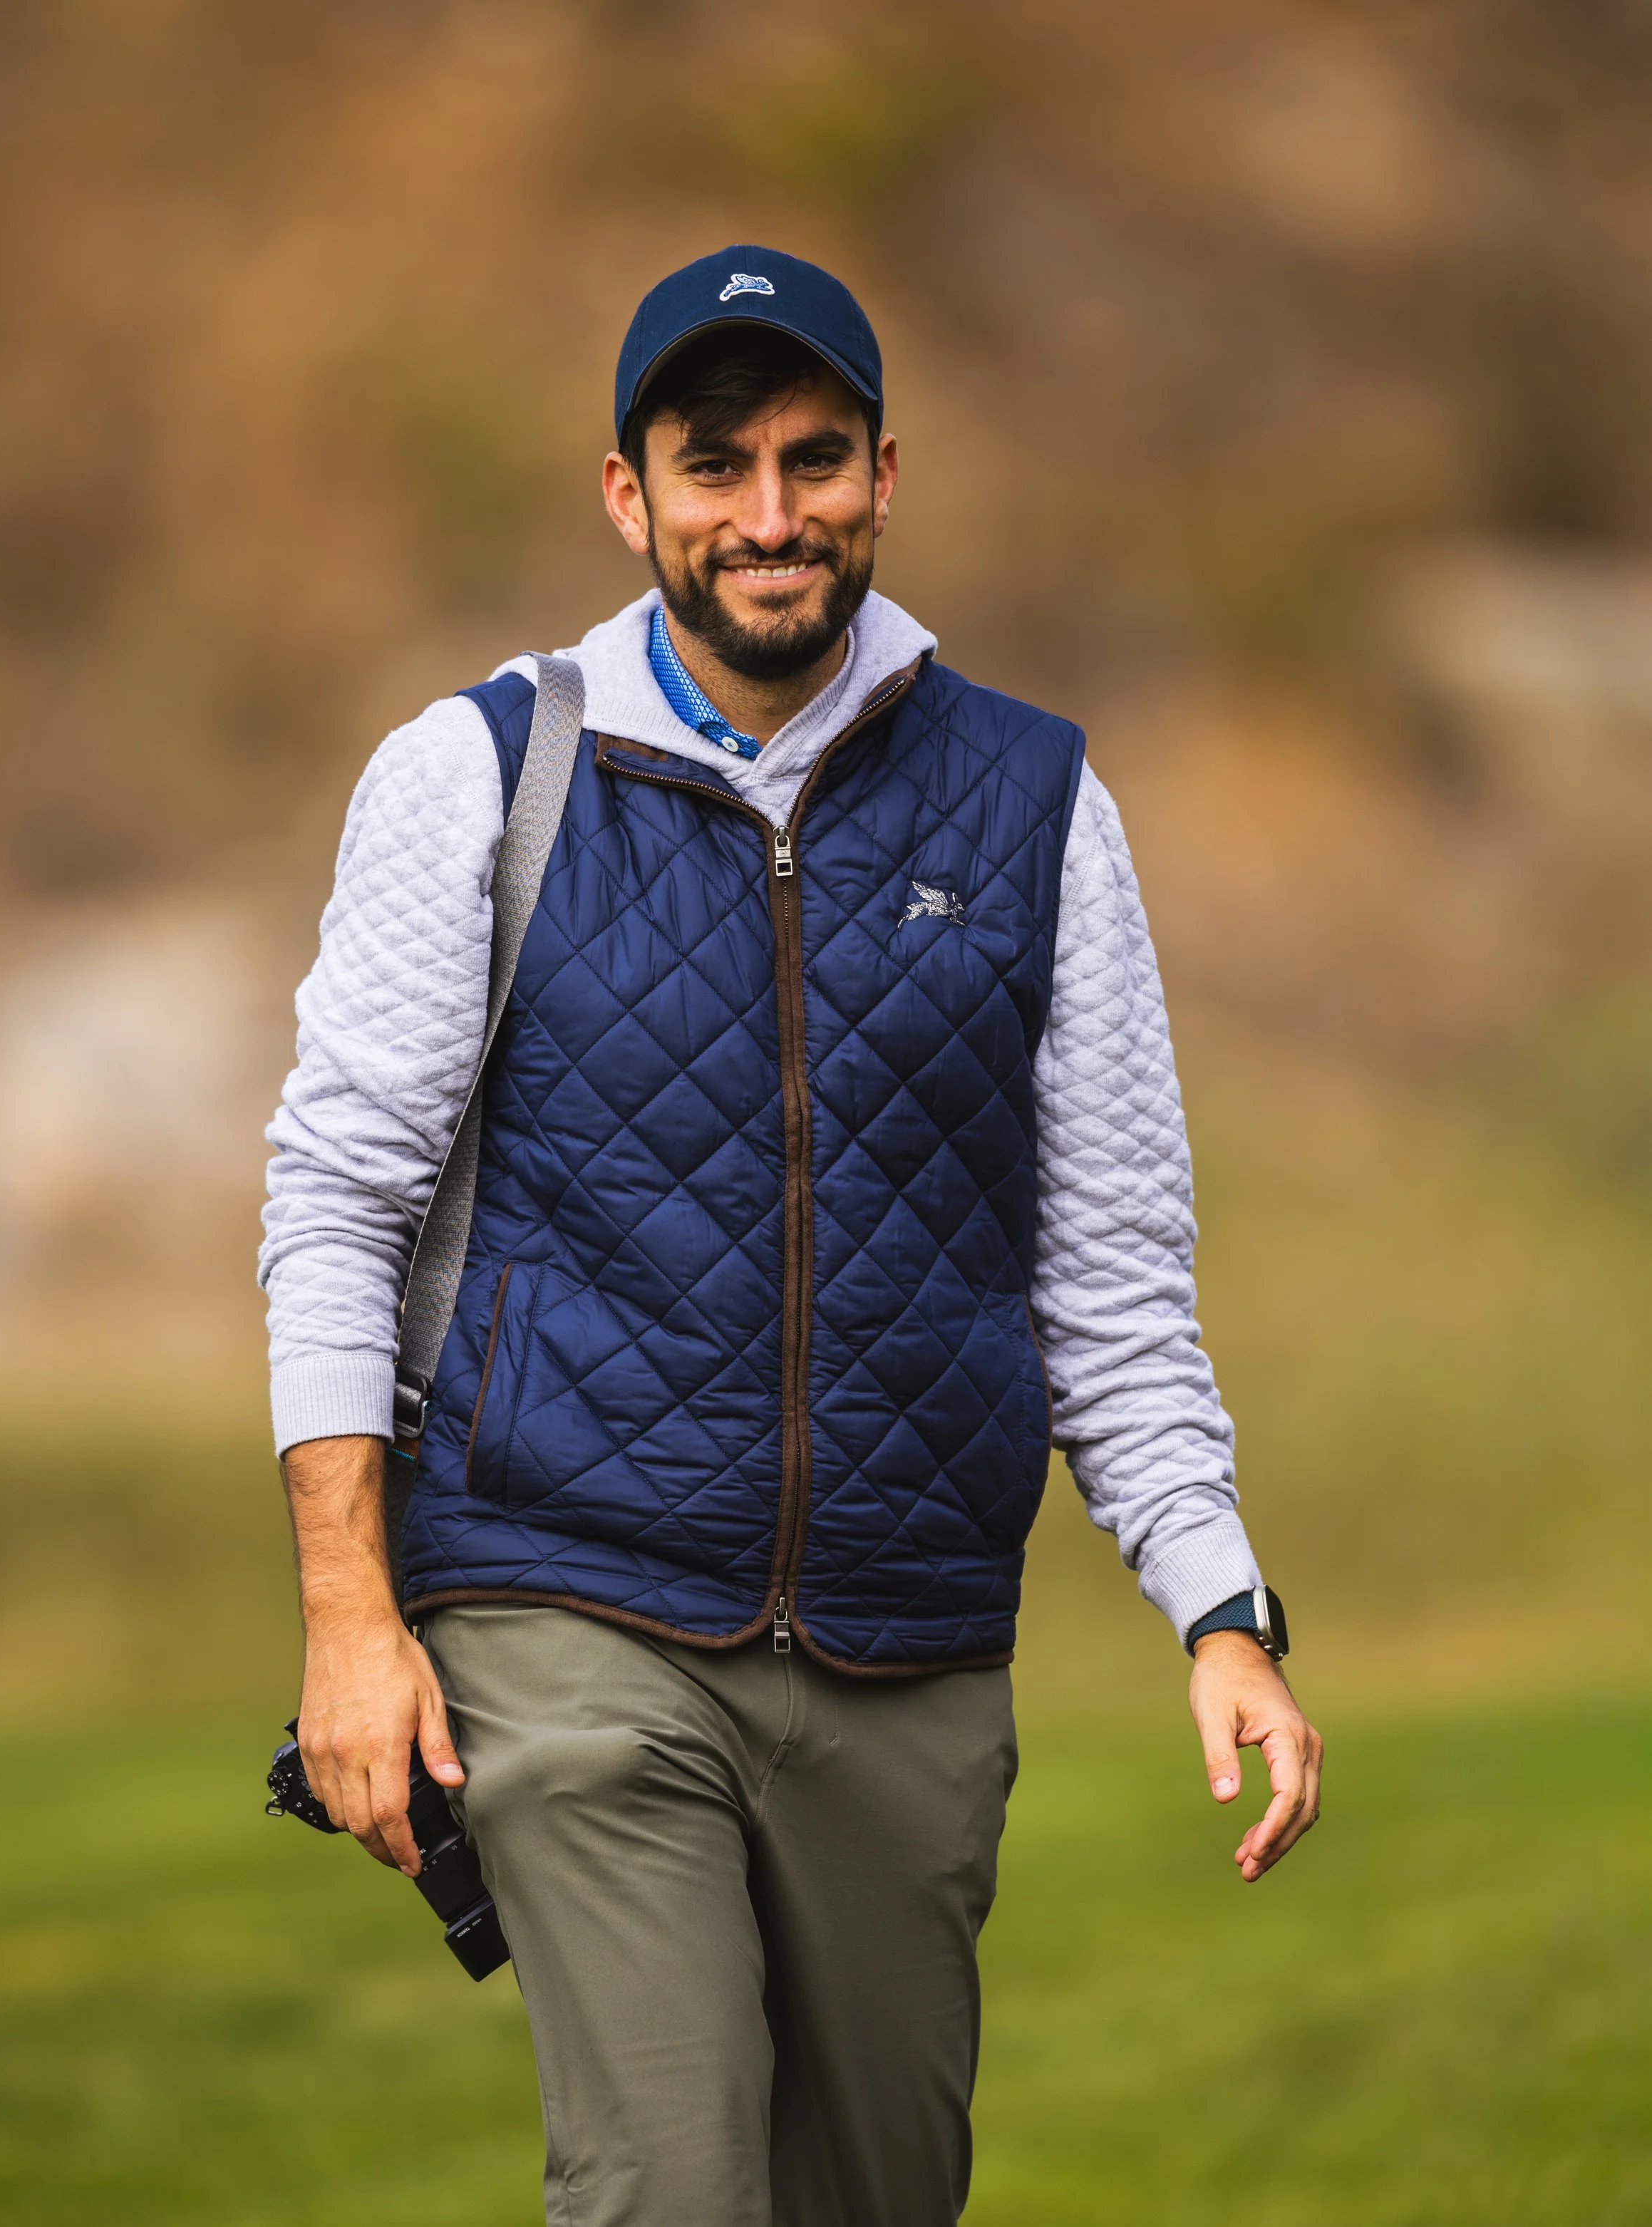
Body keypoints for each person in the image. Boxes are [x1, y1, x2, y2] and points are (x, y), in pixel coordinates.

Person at [259, 244, 1322, 2227]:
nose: (768, 514)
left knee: (879, 2196)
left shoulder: (1032, 801)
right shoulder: (477, 776)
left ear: (883, 476)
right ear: (626, 494)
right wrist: (351, 1617)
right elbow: (335, 1196)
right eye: (713, 464)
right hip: (562, 1603)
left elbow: (1106, 1274)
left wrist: (1221, 1606)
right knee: (670, 2185)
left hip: (907, 1647)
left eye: (811, 459)